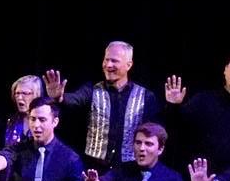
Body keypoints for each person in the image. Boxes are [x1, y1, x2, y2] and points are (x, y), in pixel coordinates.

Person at [45, 40, 163, 173]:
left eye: (114, 61)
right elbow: (75, 99)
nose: (108, 65)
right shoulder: (92, 90)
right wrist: (59, 97)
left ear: (128, 65)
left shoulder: (146, 96)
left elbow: (156, 132)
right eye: (106, 60)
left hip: (130, 172)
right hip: (95, 170)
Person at [0, 99, 84, 181]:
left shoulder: (70, 158)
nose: (36, 125)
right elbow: (1, 159)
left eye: (42, 120)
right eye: (32, 119)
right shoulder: (20, 150)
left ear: (55, 122)